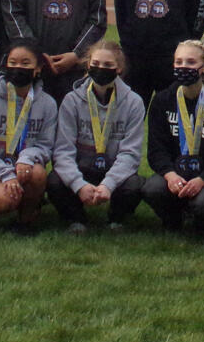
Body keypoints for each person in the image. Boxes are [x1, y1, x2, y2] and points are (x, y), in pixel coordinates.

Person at [46, 41, 145, 231]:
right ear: (88, 63)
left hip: (113, 166)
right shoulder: (72, 100)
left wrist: (108, 185)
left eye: (108, 65)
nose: (101, 69)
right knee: (55, 181)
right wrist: (78, 185)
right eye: (96, 63)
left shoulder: (133, 102)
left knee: (134, 184)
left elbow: (130, 154)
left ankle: (116, 219)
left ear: (119, 68)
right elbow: (62, 151)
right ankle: (76, 219)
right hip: (80, 166)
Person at [142, 40, 204, 232]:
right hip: (176, 173)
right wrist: (170, 175)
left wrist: (203, 179)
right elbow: (156, 150)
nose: (184, 67)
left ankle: (203, 221)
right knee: (152, 189)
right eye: (179, 62)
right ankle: (173, 218)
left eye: (191, 62)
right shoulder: (162, 100)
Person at [0, 39, 57, 235]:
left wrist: (27, 158)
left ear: (38, 68)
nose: (18, 68)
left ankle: (25, 221)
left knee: (38, 173)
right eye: (13, 62)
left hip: (21, 168)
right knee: (7, 199)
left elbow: (46, 144)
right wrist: (4, 174)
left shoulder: (47, 103)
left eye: (26, 63)